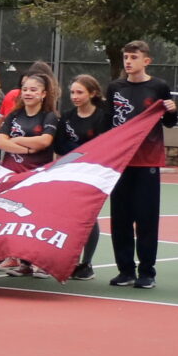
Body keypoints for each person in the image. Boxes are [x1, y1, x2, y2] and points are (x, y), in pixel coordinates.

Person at [106, 39, 178, 289]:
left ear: (146, 61)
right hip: (120, 162)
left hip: (147, 161)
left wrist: (171, 110)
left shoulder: (159, 86)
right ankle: (125, 270)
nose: (128, 61)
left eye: (134, 57)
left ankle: (147, 272)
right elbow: (108, 122)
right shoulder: (115, 87)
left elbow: (169, 122)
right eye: (126, 57)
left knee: (146, 218)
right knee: (120, 218)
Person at [51, 74, 107, 281]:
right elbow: (59, 145)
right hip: (70, 171)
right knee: (69, 216)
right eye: (72, 92)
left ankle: (86, 263)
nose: (74, 96)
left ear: (92, 93)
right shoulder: (67, 116)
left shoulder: (102, 116)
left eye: (80, 92)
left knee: (89, 216)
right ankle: (69, 260)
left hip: (93, 173)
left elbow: (101, 145)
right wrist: (79, 151)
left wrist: (80, 151)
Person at [0, 71, 57, 174]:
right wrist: (27, 150)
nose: (28, 93)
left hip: (35, 175)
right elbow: (1, 143)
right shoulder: (14, 114)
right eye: (24, 90)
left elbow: (44, 141)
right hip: (9, 173)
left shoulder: (49, 116)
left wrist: (15, 140)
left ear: (43, 94)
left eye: (33, 90)